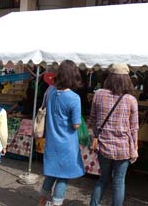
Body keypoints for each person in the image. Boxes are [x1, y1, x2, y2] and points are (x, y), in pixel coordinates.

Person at [89, 63, 139, 206]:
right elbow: (134, 128)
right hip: (123, 148)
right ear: (126, 79)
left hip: (103, 145)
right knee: (119, 182)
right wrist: (134, 149)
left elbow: (92, 120)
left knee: (103, 178)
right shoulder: (131, 100)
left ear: (110, 77)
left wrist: (98, 134)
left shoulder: (98, 94)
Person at [39, 60, 85, 206]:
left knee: (51, 174)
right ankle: (56, 204)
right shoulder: (74, 98)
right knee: (63, 177)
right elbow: (76, 124)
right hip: (67, 144)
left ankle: (42, 203)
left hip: (51, 141)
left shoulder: (50, 91)